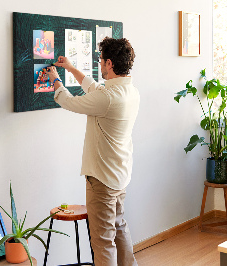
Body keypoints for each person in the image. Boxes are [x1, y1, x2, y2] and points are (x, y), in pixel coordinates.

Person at [44, 37, 139, 266]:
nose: (98, 65)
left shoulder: (107, 98)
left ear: (109, 63)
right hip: (119, 175)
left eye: (100, 61)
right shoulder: (130, 92)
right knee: (119, 229)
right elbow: (94, 88)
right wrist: (71, 68)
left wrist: (56, 79)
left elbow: (69, 101)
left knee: (103, 241)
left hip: (102, 179)